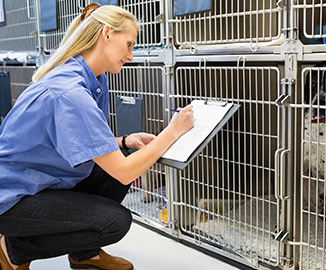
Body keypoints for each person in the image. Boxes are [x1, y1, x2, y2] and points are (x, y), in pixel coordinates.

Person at [0, 4, 194, 270]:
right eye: (128, 44)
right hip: (11, 199)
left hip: (39, 180)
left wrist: (124, 141)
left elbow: (69, 141)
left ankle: (84, 255)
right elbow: (126, 173)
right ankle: (11, 248)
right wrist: (173, 131)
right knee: (114, 221)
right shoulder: (70, 92)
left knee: (127, 154)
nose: (131, 56)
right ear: (106, 34)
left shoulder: (89, 77)